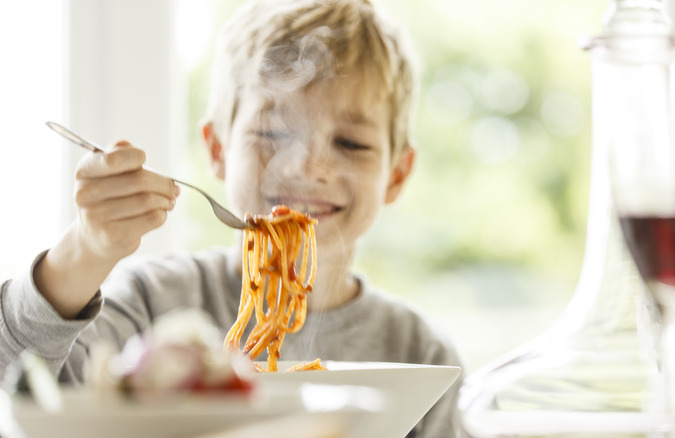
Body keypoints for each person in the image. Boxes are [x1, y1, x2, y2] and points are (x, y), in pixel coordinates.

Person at [0, 0, 464, 436]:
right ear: (217, 149)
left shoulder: (419, 351)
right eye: (275, 132)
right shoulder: (152, 301)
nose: (307, 166)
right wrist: (85, 250)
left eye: (351, 144)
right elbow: (17, 386)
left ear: (396, 174)